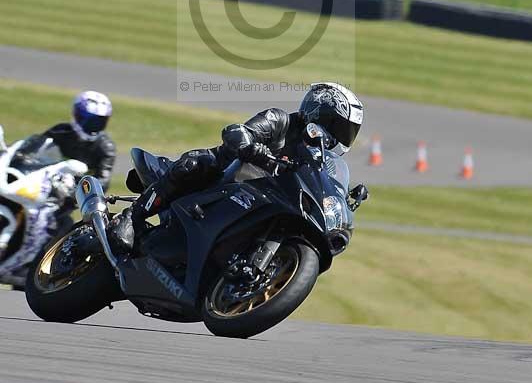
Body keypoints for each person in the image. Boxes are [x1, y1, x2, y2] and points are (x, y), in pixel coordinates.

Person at [112, 82, 363, 250]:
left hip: (266, 200)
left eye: (348, 132)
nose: (341, 137)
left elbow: (324, 185)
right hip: (224, 178)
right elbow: (236, 132)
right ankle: (132, 217)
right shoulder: (280, 120)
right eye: (338, 126)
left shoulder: (322, 159)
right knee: (196, 163)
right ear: (318, 112)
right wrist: (258, 152)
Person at [16, 90, 116, 193]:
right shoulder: (60, 131)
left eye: (99, 122)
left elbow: (103, 181)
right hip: (43, 183)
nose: (94, 126)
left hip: (68, 196)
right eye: (89, 121)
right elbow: (34, 146)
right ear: (77, 115)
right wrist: (17, 154)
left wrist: (76, 190)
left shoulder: (106, 148)